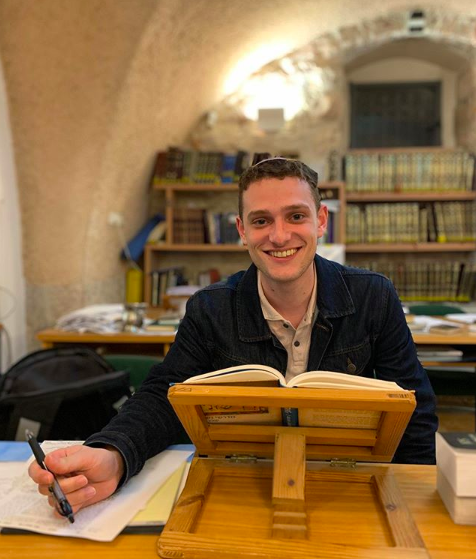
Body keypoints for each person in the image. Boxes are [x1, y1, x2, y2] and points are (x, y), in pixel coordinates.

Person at [29, 156, 438, 516]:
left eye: (296, 216)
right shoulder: (210, 308)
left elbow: (414, 409)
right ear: (242, 230)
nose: (279, 236)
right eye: (261, 221)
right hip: (242, 486)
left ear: (321, 220)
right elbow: (163, 396)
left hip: (351, 487)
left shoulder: (374, 296)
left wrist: (419, 504)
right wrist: (113, 454)